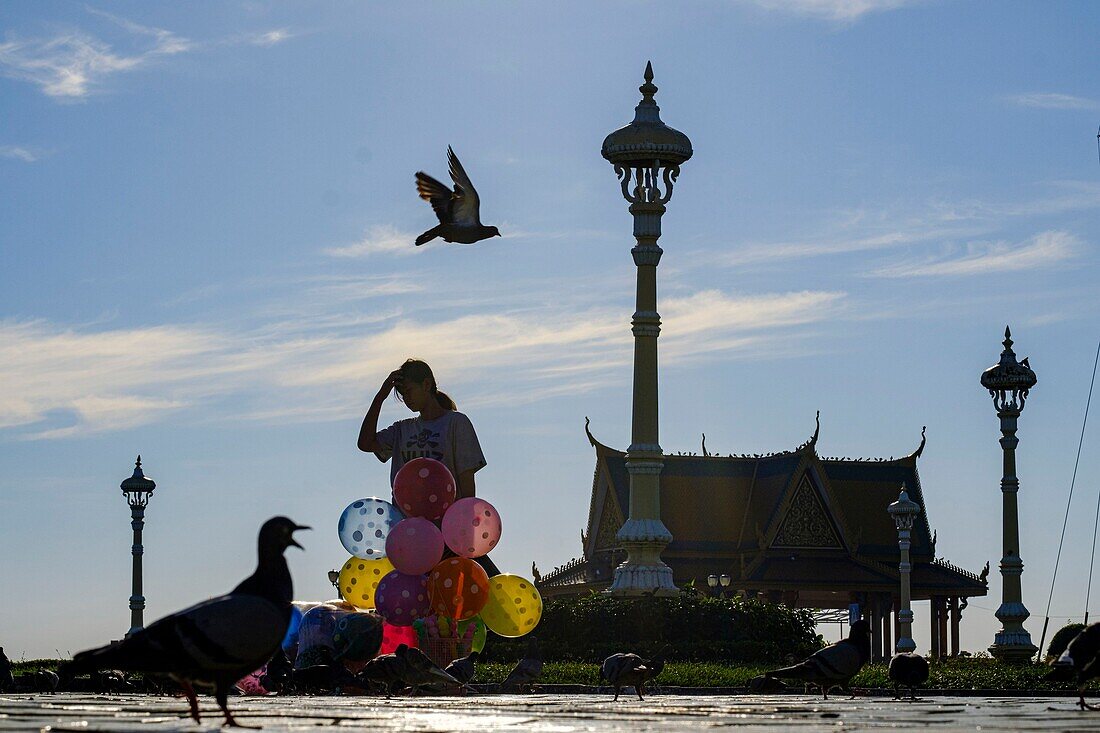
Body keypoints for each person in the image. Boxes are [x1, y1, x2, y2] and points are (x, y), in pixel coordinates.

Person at [358, 359, 499, 575]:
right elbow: (365, 444)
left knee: (477, 590)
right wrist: (381, 395)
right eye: (402, 395)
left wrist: (462, 532)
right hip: (412, 537)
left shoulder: (456, 423)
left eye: (409, 391)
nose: (407, 399)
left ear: (426, 384)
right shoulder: (402, 430)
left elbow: (466, 484)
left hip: (449, 535)